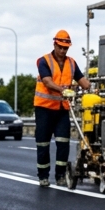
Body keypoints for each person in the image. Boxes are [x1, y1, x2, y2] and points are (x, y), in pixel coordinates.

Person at [34, 30, 90, 187]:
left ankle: (60, 176)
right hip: (44, 109)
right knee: (43, 144)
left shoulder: (71, 63)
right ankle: (43, 176)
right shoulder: (44, 61)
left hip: (62, 110)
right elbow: (47, 82)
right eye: (60, 47)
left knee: (63, 143)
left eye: (66, 48)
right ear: (55, 45)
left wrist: (90, 87)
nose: (63, 51)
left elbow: (83, 81)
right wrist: (63, 90)